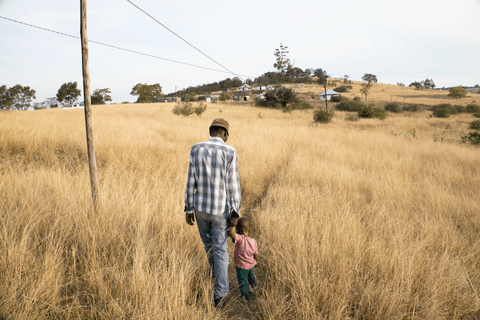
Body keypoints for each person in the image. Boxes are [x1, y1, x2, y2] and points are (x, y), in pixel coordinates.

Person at [184, 118, 241, 308]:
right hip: (219, 211)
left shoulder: (195, 148)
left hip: (200, 209)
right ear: (225, 134)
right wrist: (235, 212)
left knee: (209, 245)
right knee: (220, 250)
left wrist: (188, 207)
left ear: (210, 131)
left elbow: (190, 181)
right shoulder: (230, 151)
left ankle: (216, 275)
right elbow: (233, 186)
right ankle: (220, 293)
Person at [228, 218, 258, 302]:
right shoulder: (253, 241)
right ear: (249, 229)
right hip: (251, 265)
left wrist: (232, 225)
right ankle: (254, 288)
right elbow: (256, 253)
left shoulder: (240, 239)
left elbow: (231, 233)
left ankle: (245, 297)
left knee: (243, 282)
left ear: (238, 229)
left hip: (241, 267)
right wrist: (256, 261)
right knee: (252, 277)